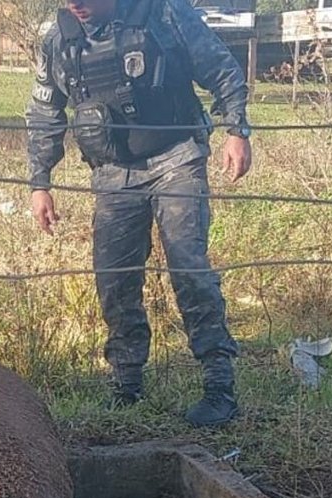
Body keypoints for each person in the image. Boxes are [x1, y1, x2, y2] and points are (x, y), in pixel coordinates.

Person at [25, 0, 252, 426]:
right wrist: (40, 182)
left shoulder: (163, 14)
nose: (77, 5)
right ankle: (127, 382)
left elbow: (221, 68)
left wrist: (236, 129)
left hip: (177, 158)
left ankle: (219, 385)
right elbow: (44, 112)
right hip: (112, 173)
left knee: (189, 268)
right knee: (114, 278)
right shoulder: (60, 40)